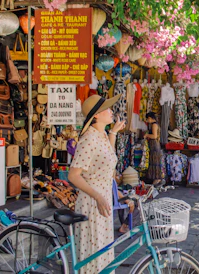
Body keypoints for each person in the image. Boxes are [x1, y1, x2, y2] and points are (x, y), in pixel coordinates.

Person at [68, 94, 125, 273]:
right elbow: (73, 175)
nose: (111, 111)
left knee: (104, 252)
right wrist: (98, 196)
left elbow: (109, 158)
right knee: (93, 254)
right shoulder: (89, 139)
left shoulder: (101, 136)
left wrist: (113, 133)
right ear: (96, 116)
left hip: (103, 200)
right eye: (106, 109)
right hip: (92, 202)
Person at [145, 111, 164, 185]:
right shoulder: (156, 124)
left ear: (150, 118)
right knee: (154, 161)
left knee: (155, 161)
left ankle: (157, 178)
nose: (147, 121)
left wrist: (147, 135)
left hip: (154, 145)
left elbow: (154, 136)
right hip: (155, 145)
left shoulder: (154, 125)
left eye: (147, 119)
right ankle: (156, 178)